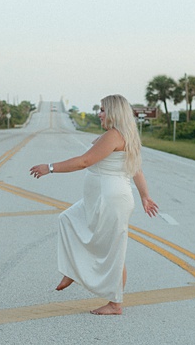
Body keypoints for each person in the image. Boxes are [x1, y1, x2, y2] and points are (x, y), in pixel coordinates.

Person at [29, 94, 159, 315]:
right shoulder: (121, 135)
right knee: (68, 219)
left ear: (114, 113)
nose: (99, 114)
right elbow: (136, 170)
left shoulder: (114, 135)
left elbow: (85, 161)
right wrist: (145, 196)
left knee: (114, 251)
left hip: (111, 199)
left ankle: (115, 304)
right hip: (101, 199)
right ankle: (72, 270)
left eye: (103, 110)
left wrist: (50, 167)